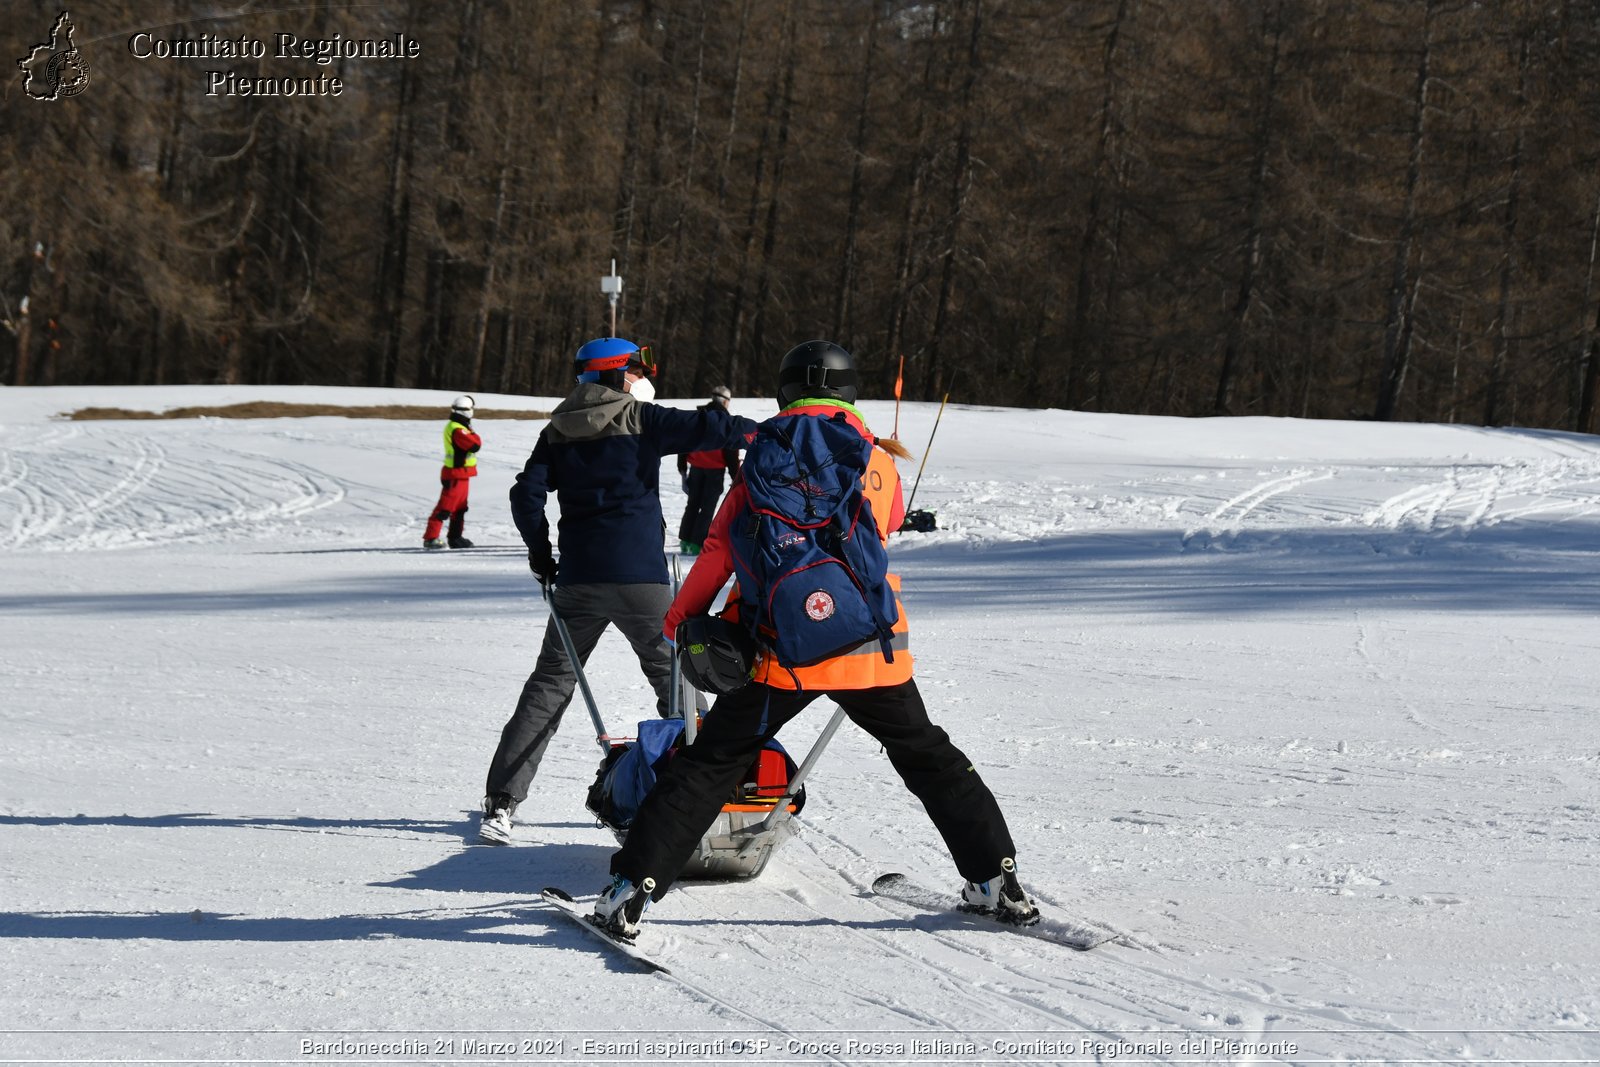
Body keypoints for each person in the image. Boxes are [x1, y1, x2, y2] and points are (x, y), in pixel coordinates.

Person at [590, 340, 1039, 939]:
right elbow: (888, 524)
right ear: (849, 391)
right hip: (869, 648)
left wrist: (680, 624)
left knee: (709, 764)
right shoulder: (876, 459)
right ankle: (997, 879)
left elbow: (721, 546)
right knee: (930, 757)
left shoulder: (763, 456)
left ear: (784, 391)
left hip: (783, 649)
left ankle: (630, 890)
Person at [479, 337, 758, 845]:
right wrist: (772, 433)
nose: (638, 379)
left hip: (579, 581)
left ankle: (501, 802)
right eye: (634, 371)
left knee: (550, 686)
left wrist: (541, 553)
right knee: (676, 681)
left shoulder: (557, 428)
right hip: (642, 580)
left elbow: (527, 494)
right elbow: (713, 426)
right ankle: (709, 795)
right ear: (614, 374)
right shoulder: (641, 418)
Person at [675, 385, 740, 555]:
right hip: (714, 471)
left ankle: (685, 541)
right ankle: (697, 544)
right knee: (707, 508)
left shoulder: (698, 417)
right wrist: (737, 477)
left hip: (696, 469)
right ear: (725, 402)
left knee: (692, 505)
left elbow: (684, 443)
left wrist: (682, 468)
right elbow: (731, 453)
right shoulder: (726, 421)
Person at [423, 395, 481, 550]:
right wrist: (472, 434)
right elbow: (475, 444)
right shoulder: (457, 428)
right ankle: (431, 538)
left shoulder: (461, 426)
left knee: (460, 508)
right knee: (445, 507)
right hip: (455, 474)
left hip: (463, 473)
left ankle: (455, 537)